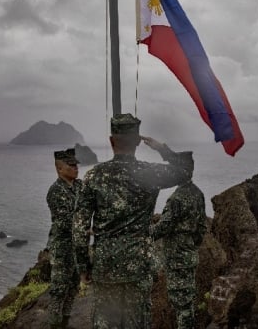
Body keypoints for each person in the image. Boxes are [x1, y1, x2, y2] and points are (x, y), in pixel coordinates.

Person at [73, 113, 192, 329]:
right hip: (138, 264)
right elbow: (185, 171)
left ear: (111, 141)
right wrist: (161, 148)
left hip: (105, 265)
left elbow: (79, 227)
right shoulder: (149, 172)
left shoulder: (93, 176)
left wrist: (84, 267)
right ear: (138, 142)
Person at [152, 151, 207, 329]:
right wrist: (191, 245)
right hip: (189, 254)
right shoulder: (197, 193)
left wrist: (138, 232)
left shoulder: (177, 199)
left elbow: (162, 228)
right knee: (187, 300)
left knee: (181, 304)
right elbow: (202, 227)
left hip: (176, 258)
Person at [46, 148, 82, 329]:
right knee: (59, 289)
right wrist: (88, 229)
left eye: (76, 165)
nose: (76, 168)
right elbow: (65, 221)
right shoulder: (56, 191)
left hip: (76, 246)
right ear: (60, 169)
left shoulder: (78, 186)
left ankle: (65, 321)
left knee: (74, 285)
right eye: (72, 165)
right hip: (62, 246)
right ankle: (54, 324)